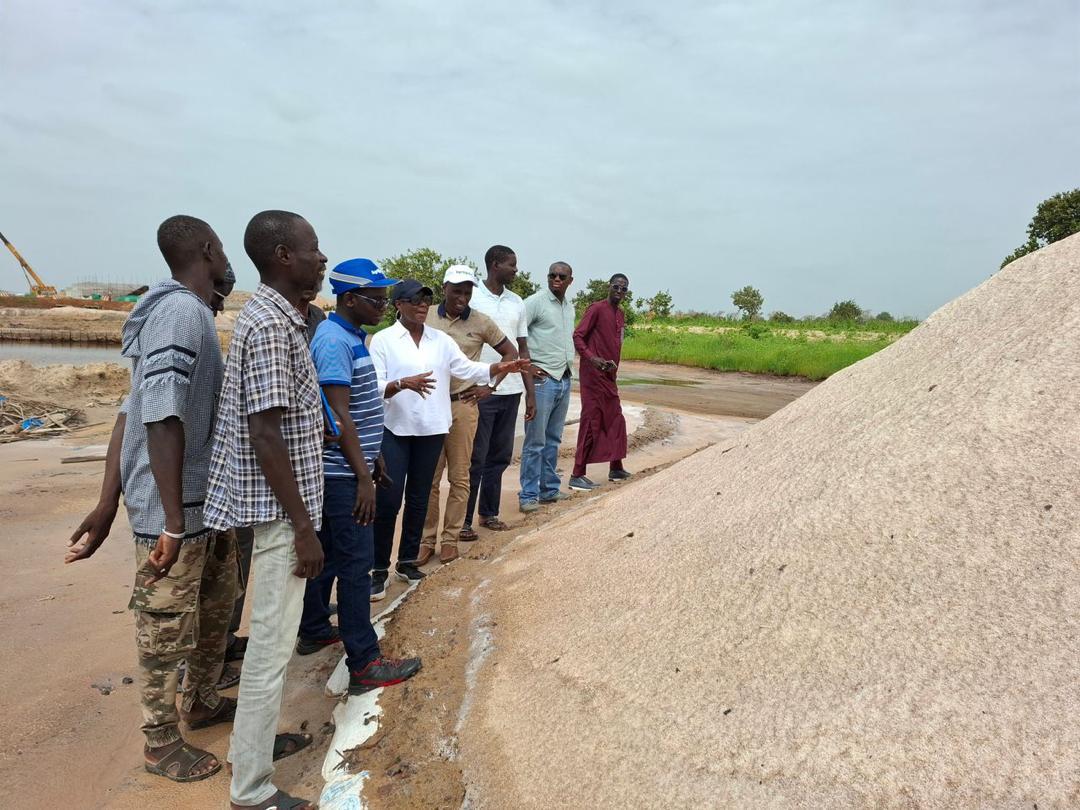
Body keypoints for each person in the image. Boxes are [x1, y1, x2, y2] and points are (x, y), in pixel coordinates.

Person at [65, 215, 237, 783]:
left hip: (202, 505)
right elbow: (159, 416)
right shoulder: (180, 313)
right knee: (165, 626)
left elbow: (127, 411)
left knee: (216, 608)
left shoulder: (182, 312)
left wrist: (105, 502)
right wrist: (168, 522)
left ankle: (203, 701)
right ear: (208, 250)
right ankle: (160, 742)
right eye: (223, 250)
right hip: (176, 512)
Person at [204, 210, 326, 810]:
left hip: (280, 512)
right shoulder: (273, 327)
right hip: (283, 519)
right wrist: (303, 526)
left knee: (269, 649)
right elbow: (266, 433)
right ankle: (250, 790)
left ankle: (246, 755)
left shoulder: (271, 317)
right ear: (283, 255)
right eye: (312, 248)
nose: (321, 259)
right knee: (270, 653)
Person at [296, 258, 422, 694]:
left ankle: (313, 627)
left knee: (331, 554)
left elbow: (358, 414)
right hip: (342, 477)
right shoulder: (333, 341)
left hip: (352, 466)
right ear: (350, 299)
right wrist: (363, 477)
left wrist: (375, 458)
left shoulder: (351, 336)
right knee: (354, 567)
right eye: (377, 299)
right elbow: (339, 416)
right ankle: (365, 664)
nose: (384, 306)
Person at [368, 279, 530, 597]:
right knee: (388, 501)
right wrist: (402, 384)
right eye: (414, 300)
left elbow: (468, 369)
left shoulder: (439, 341)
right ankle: (378, 569)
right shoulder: (384, 340)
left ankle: (406, 562)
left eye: (425, 300)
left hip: (432, 428)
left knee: (418, 498)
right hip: (397, 430)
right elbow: (375, 384)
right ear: (398, 304)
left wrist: (501, 367)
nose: (421, 305)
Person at [421, 265, 518, 564]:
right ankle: (426, 540)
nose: (462, 296)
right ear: (444, 288)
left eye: (467, 291)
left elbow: (510, 353)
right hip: (429, 406)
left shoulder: (481, 322)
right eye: (456, 290)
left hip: (462, 405)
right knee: (429, 479)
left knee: (461, 476)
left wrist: (489, 386)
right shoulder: (424, 316)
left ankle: (450, 539)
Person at [462, 245, 535, 537]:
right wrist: (482, 385)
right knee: (474, 458)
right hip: (480, 390)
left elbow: (522, 348)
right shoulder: (473, 298)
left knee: (500, 456)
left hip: (512, 390)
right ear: (495, 265)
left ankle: (488, 514)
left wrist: (530, 391)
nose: (516, 270)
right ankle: (463, 521)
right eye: (511, 265)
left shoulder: (517, 302)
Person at [519, 262, 577, 511]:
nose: (556, 279)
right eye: (552, 275)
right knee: (535, 441)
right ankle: (528, 495)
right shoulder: (535, 302)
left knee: (553, 439)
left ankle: (549, 489)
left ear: (570, 281)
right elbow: (516, 333)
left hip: (563, 378)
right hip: (542, 380)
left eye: (561, 276)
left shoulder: (569, 306)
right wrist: (527, 366)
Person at [570, 274, 631, 490]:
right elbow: (577, 336)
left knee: (615, 418)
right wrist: (593, 359)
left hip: (609, 377)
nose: (619, 291)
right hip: (593, 376)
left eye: (623, 289)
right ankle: (577, 474)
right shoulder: (596, 308)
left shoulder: (620, 314)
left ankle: (616, 467)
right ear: (609, 287)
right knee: (591, 420)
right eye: (616, 286)